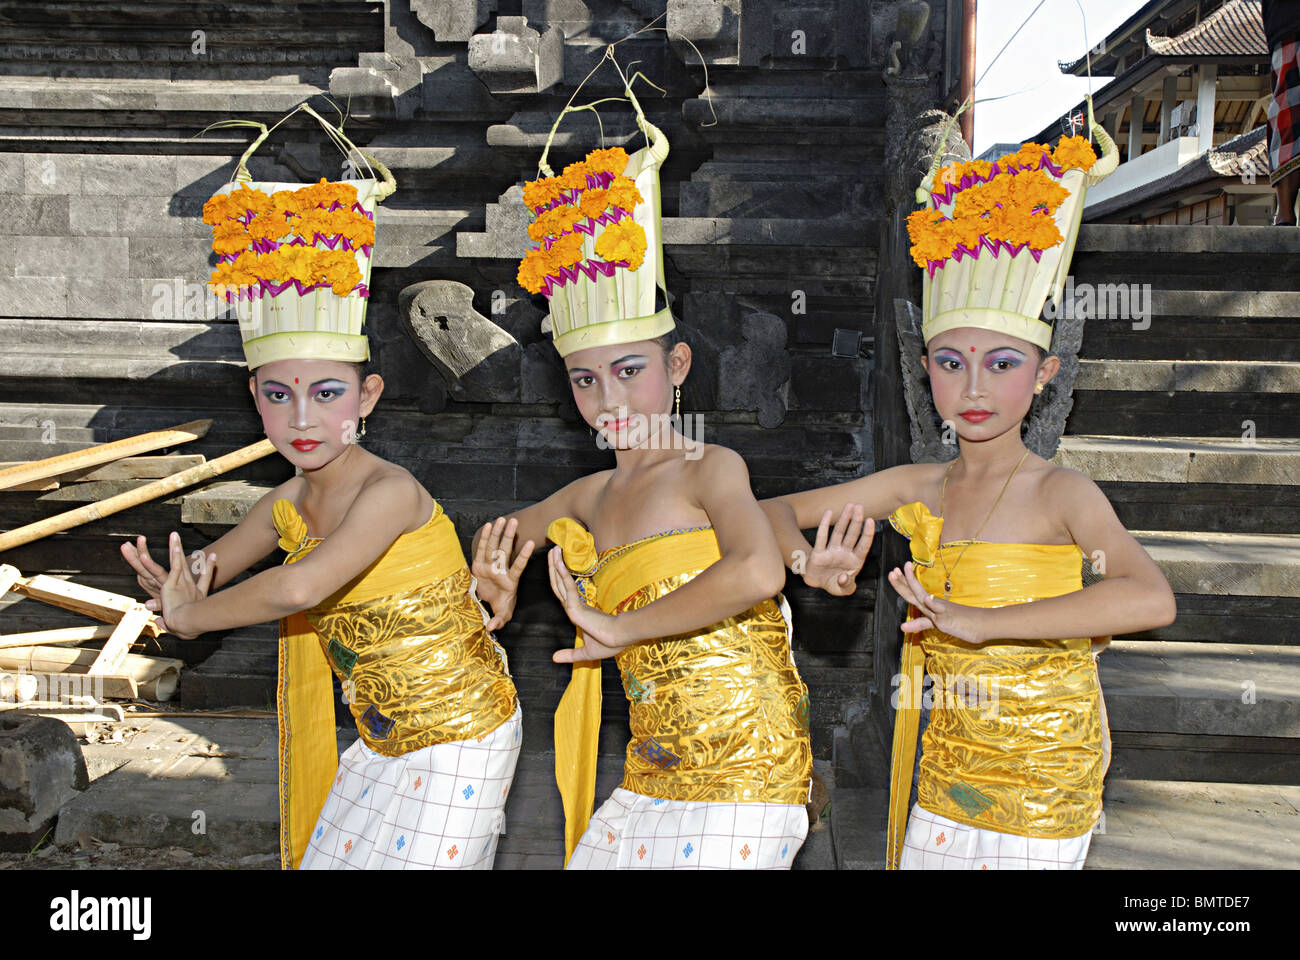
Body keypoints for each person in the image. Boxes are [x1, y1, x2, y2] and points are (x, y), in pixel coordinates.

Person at [763, 118, 1176, 869]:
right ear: (927, 370)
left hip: (1048, 774)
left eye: (1004, 363)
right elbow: (767, 514)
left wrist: (994, 625)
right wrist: (805, 562)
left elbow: (1149, 598)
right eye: (952, 363)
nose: (975, 388)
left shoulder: (1062, 493)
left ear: (1045, 375)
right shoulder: (917, 485)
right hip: (950, 771)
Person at [121, 160, 527, 870]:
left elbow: (299, 588)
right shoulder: (286, 503)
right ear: (255, 398)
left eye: (327, 394)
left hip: (465, 733)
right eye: (279, 396)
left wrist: (190, 618)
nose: (302, 418)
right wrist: (183, 585)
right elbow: (220, 569)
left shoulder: (390, 492)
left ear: (367, 397)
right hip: (379, 737)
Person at [479, 86, 817, 869]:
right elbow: (498, 538)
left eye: (629, 370)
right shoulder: (588, 497)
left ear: (676, 367)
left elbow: (759, 568)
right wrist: (492, 576)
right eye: (585, 379)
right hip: (650, 771)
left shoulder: (709, 468)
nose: (610, 398)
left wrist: (621, 628)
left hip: (746, 770)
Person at [1264, 0, 1300, 224]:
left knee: (1287, 117)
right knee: (1287, 117)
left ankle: (1284, 213)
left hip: (1286, 24)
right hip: (1289, 25)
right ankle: (1284, 212)